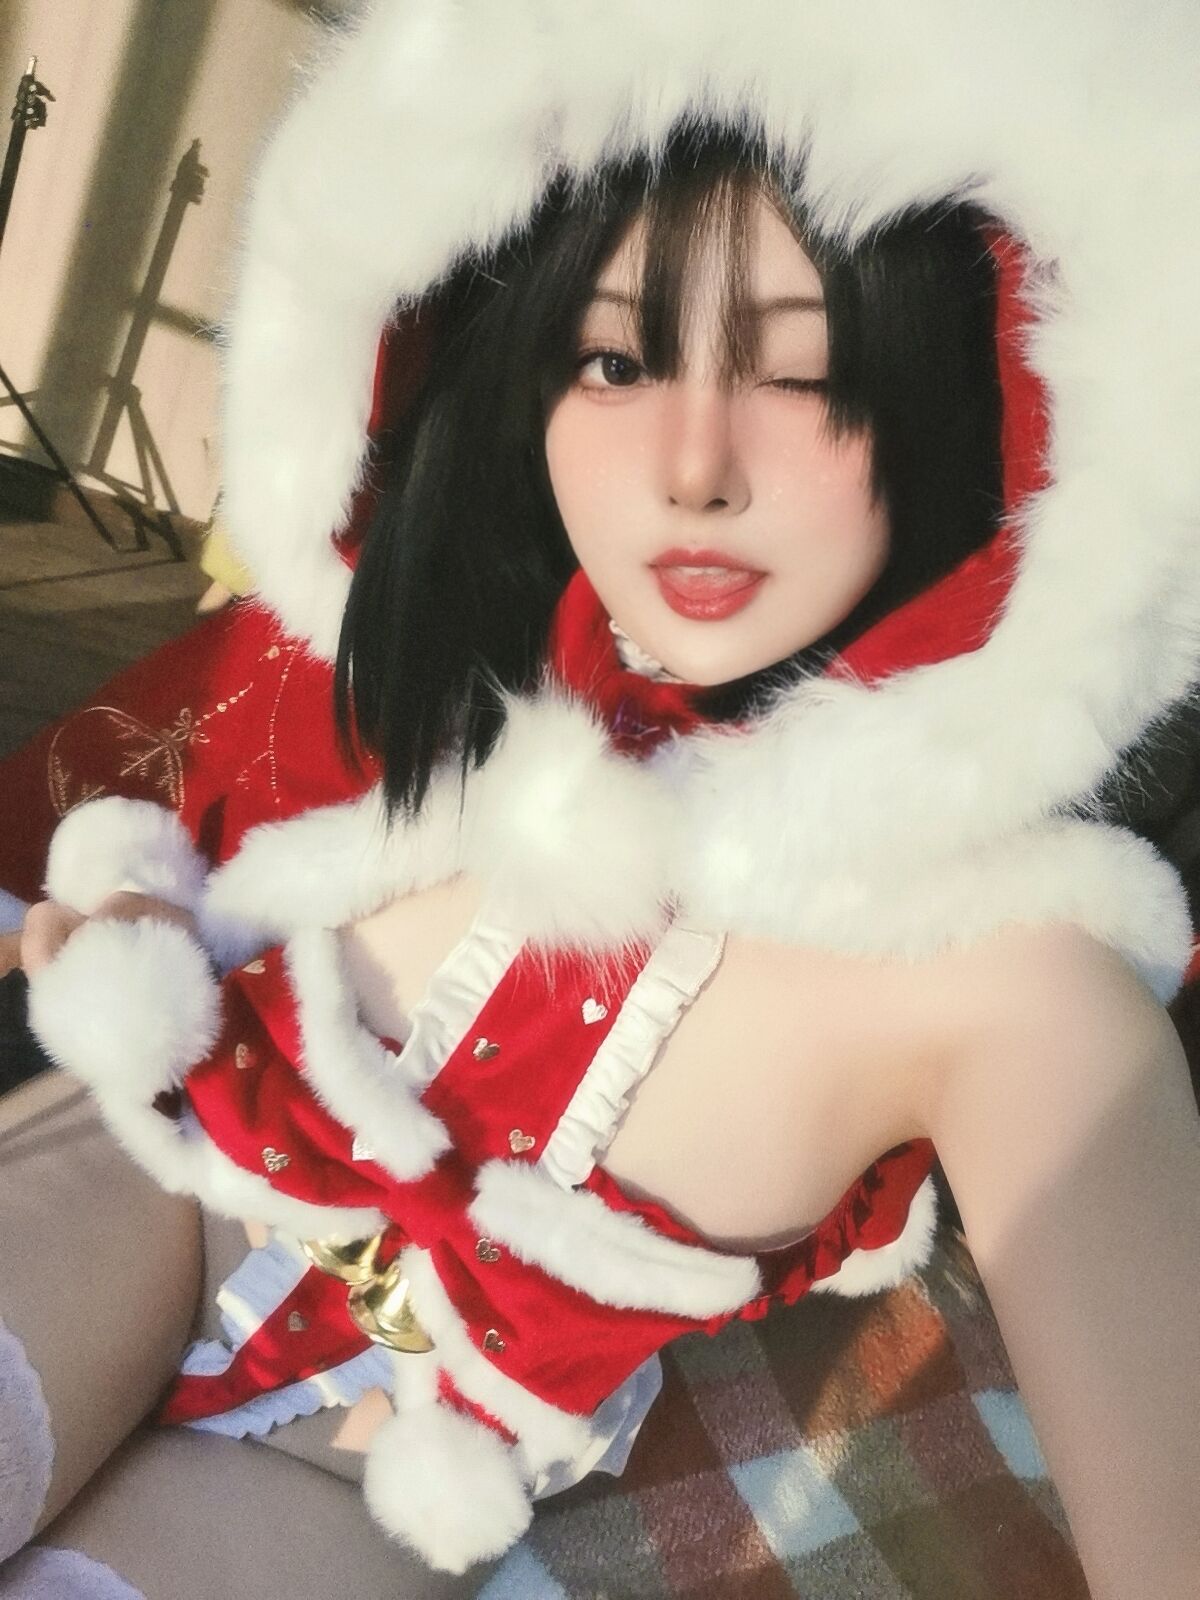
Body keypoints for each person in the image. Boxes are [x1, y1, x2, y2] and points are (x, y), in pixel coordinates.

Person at [3, 3, 1200, 1596]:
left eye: (805, 369)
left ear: (974, 394)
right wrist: (123, 926)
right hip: (146, 1185)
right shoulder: (427, 673)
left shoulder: (1014, 973)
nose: (693, 464)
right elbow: (163, 837)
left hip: (388, 1468)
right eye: (618, 359)